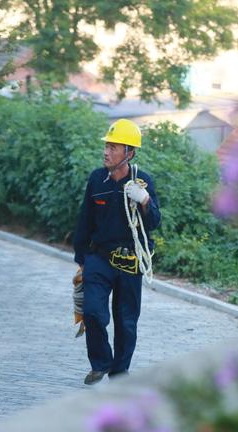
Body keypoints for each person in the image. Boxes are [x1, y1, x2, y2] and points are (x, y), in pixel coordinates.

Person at [73, 118, 161, 385]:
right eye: (107, 146)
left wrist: (144, 201)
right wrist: (82, 259)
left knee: (126, 321)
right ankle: (101, 363)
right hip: (99, 257)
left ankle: (119, 372)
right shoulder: (97, 179)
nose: (106, 152)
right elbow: (84, 219)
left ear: (129, 153)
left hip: (131, 260)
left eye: (113, 147)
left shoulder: (143, 181)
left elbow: (155, 222)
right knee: (92, 311)